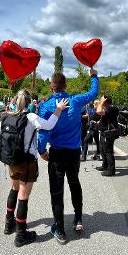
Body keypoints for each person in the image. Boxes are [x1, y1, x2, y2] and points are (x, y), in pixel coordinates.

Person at [0, 89, 69, 247]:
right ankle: (21, 234)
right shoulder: (31, 117)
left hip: (12, 160)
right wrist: (59, 108)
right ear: (29, 102)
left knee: (13, 189)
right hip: (27, 161)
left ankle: (8, 224)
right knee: (23, 196)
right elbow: (49, 125)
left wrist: (8, 148)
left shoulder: (8, 116)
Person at [38, 69, 99, 244]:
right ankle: (78, 219)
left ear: (51, 87)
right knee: (74, 183)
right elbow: (93, 93)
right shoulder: (76, 100)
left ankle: (60, 229)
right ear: (65, 85)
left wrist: (41, 150)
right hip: (74, 152)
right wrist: (93, 75)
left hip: (57, 153)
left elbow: (44, 131)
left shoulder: (47, 105)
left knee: (57, 191)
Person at [96, 95, 119, 176]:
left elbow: (98, 111)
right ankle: (105, 166)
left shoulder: (110, 108)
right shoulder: (110, 108)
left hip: (108, 133)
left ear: (105, 100)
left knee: (108, 152)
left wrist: (101, 102)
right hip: (104, 132)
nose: (100, 100)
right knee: (102, 150)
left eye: (101, 99)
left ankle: (111, 170)